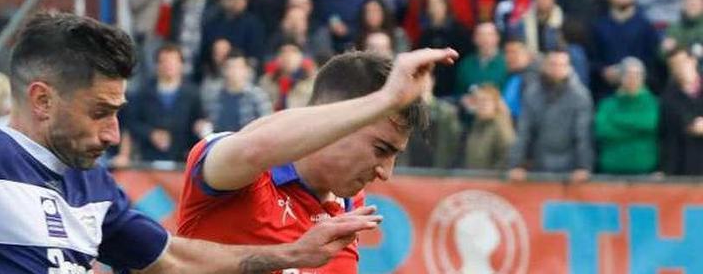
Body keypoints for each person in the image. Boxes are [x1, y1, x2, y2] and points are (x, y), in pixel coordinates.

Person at [0, 12, 382, 273]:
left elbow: (172, 258)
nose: (113, 134)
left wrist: (293, 254)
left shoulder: (93, 184)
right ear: (42, 100)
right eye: (99, 113)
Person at [177, 48, 459, 273]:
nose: (386, 172)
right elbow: (254, 148)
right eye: (381, 149)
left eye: (394, 154)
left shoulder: (349, 204)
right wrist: (384, 100)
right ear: (335, 123)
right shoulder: (235, 168)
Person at [508, 48, 594, 183]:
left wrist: (584, 166)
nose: (557, 69)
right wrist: (516, 164)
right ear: (544, 66)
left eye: (562, 65)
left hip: (570, 169)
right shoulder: (532, 93)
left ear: (569, 68)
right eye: (553, 64)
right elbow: (523, 132)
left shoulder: (580, 96)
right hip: (539, 164)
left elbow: (582, 134)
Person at [125, 44, 206, 162]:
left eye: (173, 62)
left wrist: (200, 127)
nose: (169, 66)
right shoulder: (143, 93)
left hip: (182, 160)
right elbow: (132, 123)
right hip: (148, 160)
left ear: (181, 65)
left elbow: (200, 121)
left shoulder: (192, 94)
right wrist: (151, 134)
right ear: (157, 65)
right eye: (165, 61)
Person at [594, 57, 659, 175]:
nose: (632, 79)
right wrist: (637, 129)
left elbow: (650, 124)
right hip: (611, 170)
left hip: (645, 170)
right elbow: (602, 130)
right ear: (621, 78)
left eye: (636, 75)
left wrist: (617, 121)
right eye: (628, 75)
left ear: (643, 78)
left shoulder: (653, 103)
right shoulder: (606, 104)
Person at [463, 85, 516, 171]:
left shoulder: (502, 127)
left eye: (486, 100)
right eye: (478, 101)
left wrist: (492, 177)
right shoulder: (475, 126)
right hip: (472, 180)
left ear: (495, 103)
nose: (482, 104)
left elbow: (507, 156)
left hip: (491, 181)